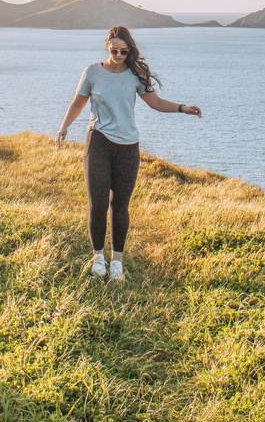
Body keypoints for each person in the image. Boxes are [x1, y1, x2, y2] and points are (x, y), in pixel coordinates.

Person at [55, 25, 201, 281]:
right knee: (98, 204)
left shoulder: (135, 74)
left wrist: (182, 108)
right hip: (98, 141)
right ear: (107, 46)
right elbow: (78, 102)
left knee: (120, 205)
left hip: (127, 148)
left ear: (130, 50)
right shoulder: (92, 72)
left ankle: (117, 262)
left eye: (124, 51)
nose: (120, 54)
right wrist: (64, 127)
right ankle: (98, 257)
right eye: (115, 50)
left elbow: (155, 103)